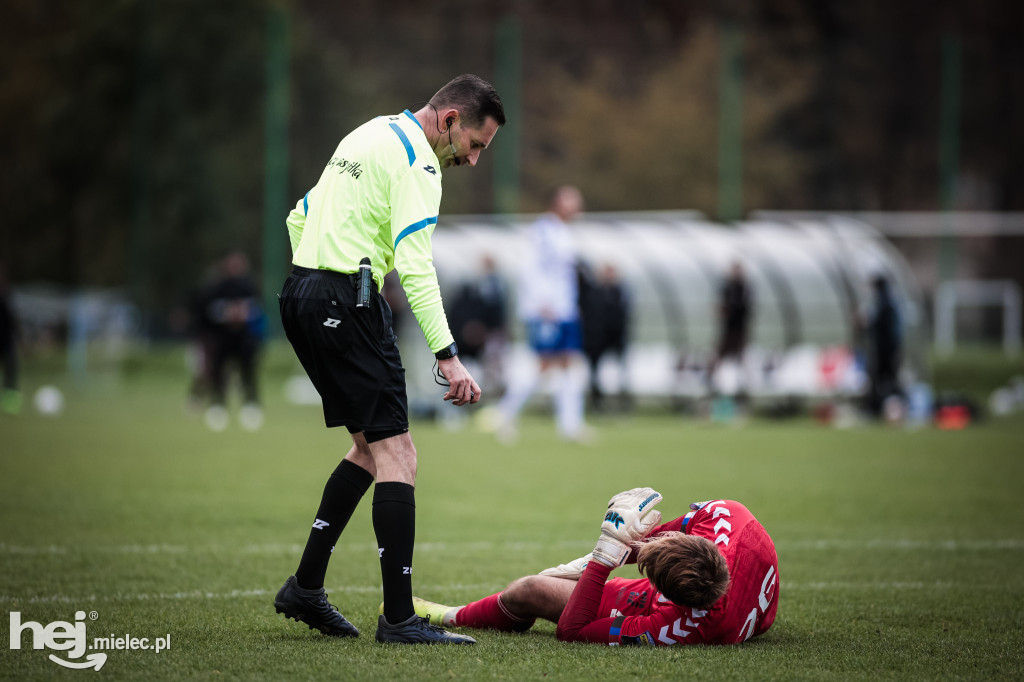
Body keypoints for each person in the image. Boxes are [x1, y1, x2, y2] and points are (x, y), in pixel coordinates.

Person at [274, 74, 505, 645]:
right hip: (344, 302)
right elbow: (417, 266)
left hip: (301, 293)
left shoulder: (369, 132)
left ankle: (305, 587)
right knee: (399, 452)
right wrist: (448, 357)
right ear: (449, 120)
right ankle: (399, 619)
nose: (473, 161)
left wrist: (321, 270)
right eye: (475, 145)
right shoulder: (420, 165)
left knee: (369, 448)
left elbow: (299, 215)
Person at [413, 489, 779, 646]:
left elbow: (572, 631)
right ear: (699, 540)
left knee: (530, 589)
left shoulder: (679, 626)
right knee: (548, 580)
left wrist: (606, 555)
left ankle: (450, 617)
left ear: (662, 592)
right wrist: (625, 541)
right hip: (744, 607)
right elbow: (650, 541)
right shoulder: (726, 515)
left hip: (697, 608)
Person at [495, 185, 589, 442]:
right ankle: (504, 415)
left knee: (569, 363)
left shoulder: (564, 233)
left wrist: (570, 304)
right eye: (572, 202)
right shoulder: (542, 231)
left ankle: (570, 425)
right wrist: (542, 303)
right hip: (547, 311)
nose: (577, 208)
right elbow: (530, 269)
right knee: (543, 365)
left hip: (564, 311)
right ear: (558, 203)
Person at [200, 251, 265, 432]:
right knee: (219, 372)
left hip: (244, 338)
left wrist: (244, 313)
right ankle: (217, 406)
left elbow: (257, 309)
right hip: (224, 338)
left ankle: (251, 407)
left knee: (248, 373)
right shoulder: (218, 287)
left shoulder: (249, 286)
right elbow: (210, 311)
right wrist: (228, 313)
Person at [578, 262, 631, 411]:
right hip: (596, 339)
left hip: (616, 338)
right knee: (594, 371)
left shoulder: (621, 291)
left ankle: (623, 401)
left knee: (622, 370)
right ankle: (597, 402)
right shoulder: (591, 291)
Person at [706, 261, 753, 395]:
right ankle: (712, 384)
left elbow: (744, 310)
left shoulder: (744, 289)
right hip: (728, 331)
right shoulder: (727, 288)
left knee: (743, 360)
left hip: (739, 332)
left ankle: (746, 389)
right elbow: (721, 308)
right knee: (717, 359)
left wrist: (725, 310)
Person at [866, 274, 902, 417]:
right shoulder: (890, 301)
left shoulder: (884, 303)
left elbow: (880, 326)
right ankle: (890, 408)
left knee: (884, 379)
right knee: (888, 379)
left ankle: (882, 409)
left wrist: (869, 324)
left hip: (885, 350)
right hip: (890, 348)